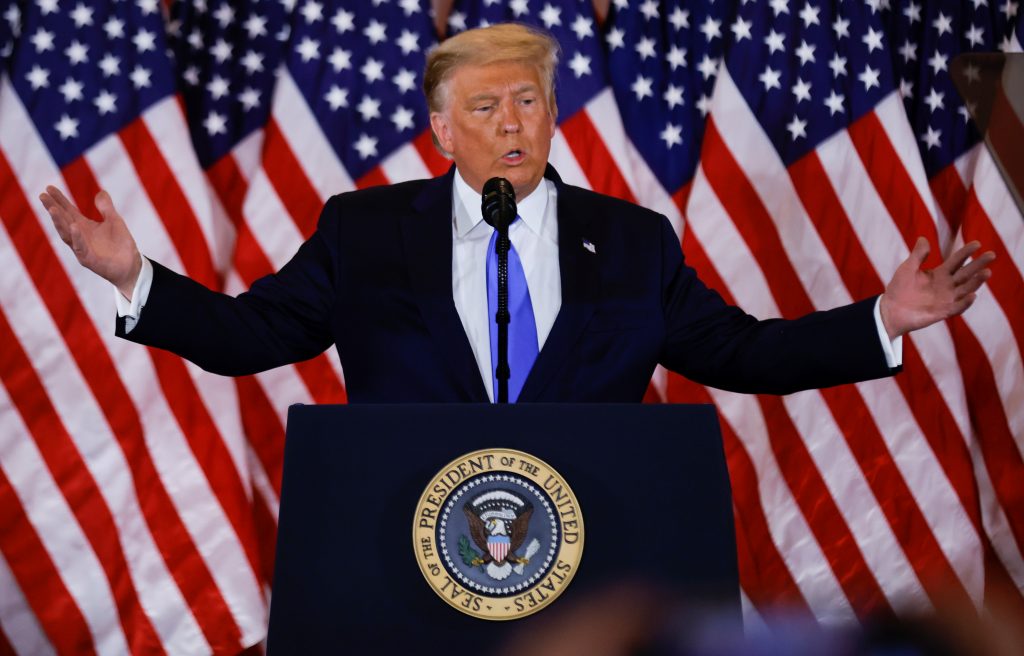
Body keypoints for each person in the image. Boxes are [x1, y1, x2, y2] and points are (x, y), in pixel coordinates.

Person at [39, 23, 994, 403]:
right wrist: (133, 277)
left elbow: (740, 354)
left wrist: (885, 318)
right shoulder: (363, 231)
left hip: (595, 553)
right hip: (405, 547)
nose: (512, 123)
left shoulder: (630, 240)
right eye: (486, 108)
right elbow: (251, 336)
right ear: (441, 130)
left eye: (528, 102)